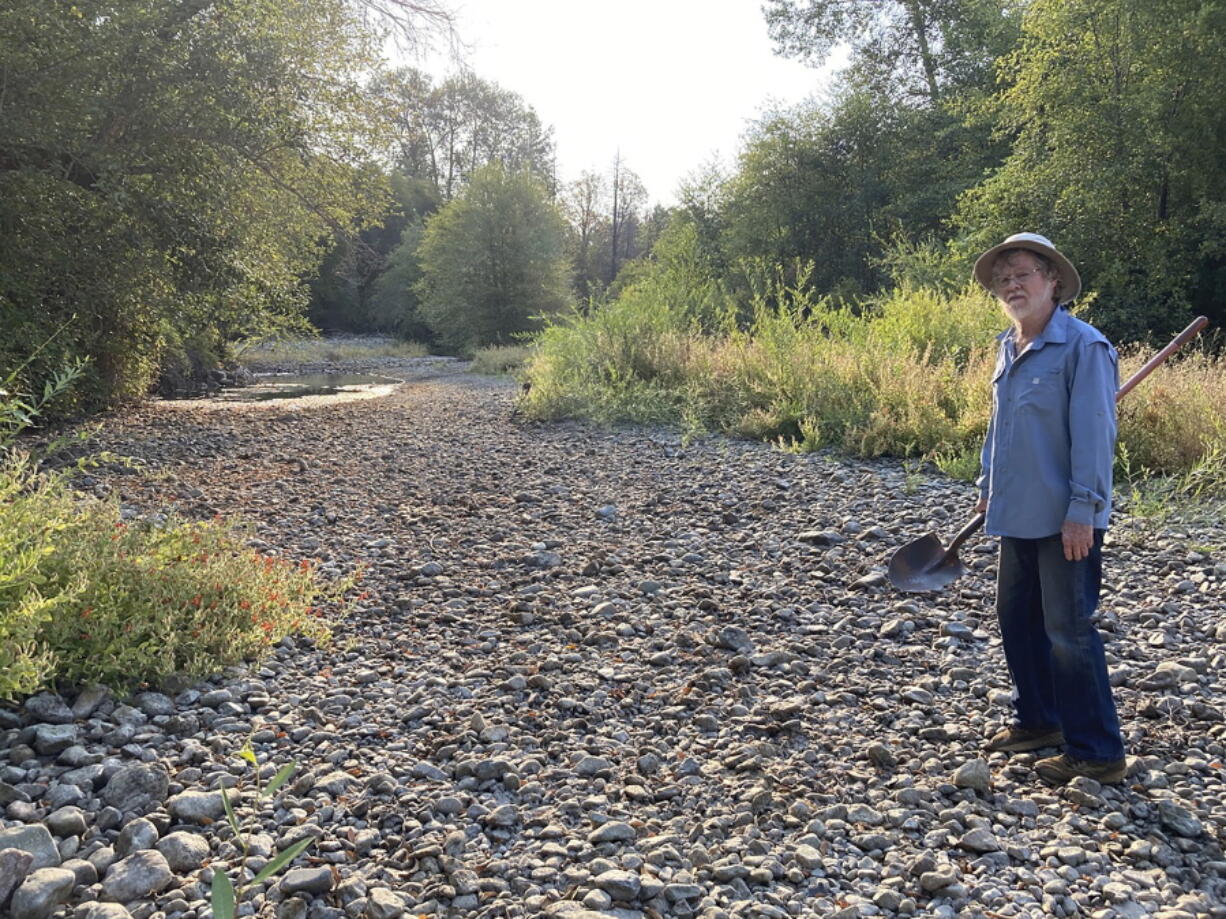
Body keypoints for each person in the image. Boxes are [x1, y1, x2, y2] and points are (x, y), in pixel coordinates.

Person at [972, 232, 1127, 785]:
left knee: (1068, 630)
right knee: (1015, 618)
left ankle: (1097, 750)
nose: (1012, 285)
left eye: (1023, 275)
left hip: (1067, 519)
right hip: (1017, 510)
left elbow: (1094, 437)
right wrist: (989, 481)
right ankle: (1039, 720)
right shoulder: (1007, 346)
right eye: (1003, 279)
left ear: (1053, 282)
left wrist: (1084, 509)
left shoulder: (1085, 347)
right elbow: (1001, 427)